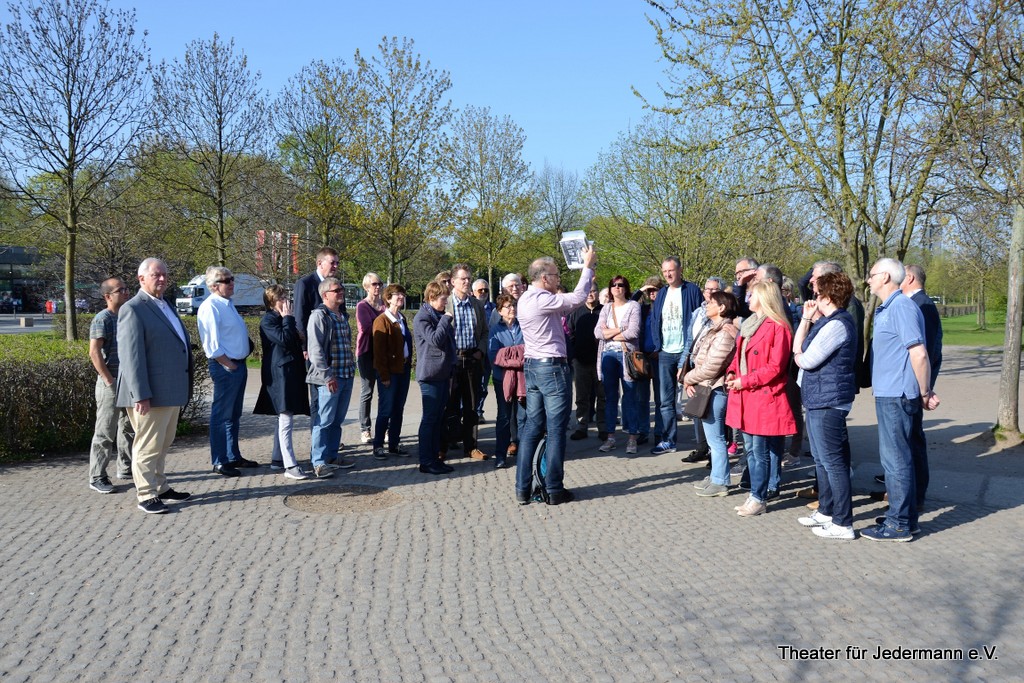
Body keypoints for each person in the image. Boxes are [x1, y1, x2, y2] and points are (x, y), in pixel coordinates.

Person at [862, 258, 940, 542]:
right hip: (889, 394)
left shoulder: (901, 307)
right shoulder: (890, 307)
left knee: (896, 461)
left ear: (885, 277)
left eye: (872, 275)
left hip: (897, 396)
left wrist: (925, 392)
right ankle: (906, 519)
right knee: (898, 460)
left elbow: (919, 353)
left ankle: (898, 525)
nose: (868, 280)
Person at [515, 245, 597, 506]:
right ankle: (553, 488)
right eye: (555, 275)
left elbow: (567, 306)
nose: (558, 279)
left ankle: (522, 488)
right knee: (556, 429)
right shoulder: (541, 299)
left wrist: (587, 277)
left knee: (532, 428)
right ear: (544, 278)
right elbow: (577, 298)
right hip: (551, 368)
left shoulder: (525, 299)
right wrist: (587, 266)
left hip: (533, 367)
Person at [116, 258, 193, 514]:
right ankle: (146, 494)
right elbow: (131, 357)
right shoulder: (133, 308)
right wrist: (140, 394)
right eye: (156, 275)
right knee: (148, 445)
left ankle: (160, 486)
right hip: (150, 394)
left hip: (170, 390)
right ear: (141, 279)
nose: (162, 279)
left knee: (163, 443)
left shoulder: (165, 304)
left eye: (164, 275)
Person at [793, 272, 858, 540]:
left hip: (830, 401)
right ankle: (826, 510)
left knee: (834, 463)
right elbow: (798, 348)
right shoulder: (826, 322)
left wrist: (799, 355)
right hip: (819, 398)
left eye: (817, 294)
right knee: (821, 460)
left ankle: (843, 523)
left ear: (829, 297)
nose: (813, 298)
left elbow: (807, 360)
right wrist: (806, 319)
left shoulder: (838, 325)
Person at [724, 281, 796, 517]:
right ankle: (755, 494)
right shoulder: (749, 324)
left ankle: (759, 497)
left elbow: (775, 367)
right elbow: (739, 357)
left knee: (759, 450)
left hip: (763, 395)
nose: (748, 299)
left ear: (764, 297)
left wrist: (745, 381)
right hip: (746, 395)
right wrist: (732, 372)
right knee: (751, 451)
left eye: (752, 295)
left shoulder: (778, 327)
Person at [197, 266, 257, 476]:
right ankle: (220, 460)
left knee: (233, 414)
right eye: (226, 280)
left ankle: (233, 455)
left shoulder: (227, 304)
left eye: (232, 279)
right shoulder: (210, 307)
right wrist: (229, 365)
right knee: (222, 415)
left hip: (237, 364)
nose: (232, 283)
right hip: (226, 367)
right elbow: (211, 346)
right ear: (214, 286)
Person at [682, 290, 739, 497]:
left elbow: (711, 367)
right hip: (707, 386)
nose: (706, 305)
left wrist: (688, 378)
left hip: (715, 389)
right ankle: (716, 475)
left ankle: (721, 482)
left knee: (716, 439)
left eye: (711, 303)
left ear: (721, 308)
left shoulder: (725, 333)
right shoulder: (716, 329)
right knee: (713, 438)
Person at [253, 285, 311, 480]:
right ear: (271, 302)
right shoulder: (269, 320)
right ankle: (290, 465)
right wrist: (288, 320)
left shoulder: (283, 319)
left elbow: (295, 340)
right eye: (281, 298)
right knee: (285, 417)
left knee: (284, 417)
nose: (286, 301)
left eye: (286, 297)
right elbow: (284, 339)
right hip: (279, 375)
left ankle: (277, 459)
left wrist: (295, 331)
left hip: (291, 373)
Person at [648, 256, 703, 455]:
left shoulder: (692, 290)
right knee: (665, 400)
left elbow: (701, 318)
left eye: (670, 270)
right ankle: (668, 440)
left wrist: (694, 348)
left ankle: (703, 443)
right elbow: (655, 319)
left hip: (686, 352)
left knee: (697, 397)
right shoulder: (662, 293)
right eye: (664, 271)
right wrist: (657, 345)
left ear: (679, 270)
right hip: (665, 352)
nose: (668, 274)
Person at [899, 263, 943, 508]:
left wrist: (924, 388)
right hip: (911, 385)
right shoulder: (916, 303)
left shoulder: (922, 305)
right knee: (908, 439)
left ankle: (915, 496)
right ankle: (904, 490)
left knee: (912, 440)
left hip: (913, 387)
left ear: (909, 278)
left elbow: (929, 351)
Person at [291, 247, 340, 462]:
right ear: (320, 263)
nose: (336, 266)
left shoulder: (335, 285)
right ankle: (317, 450)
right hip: (313, 353)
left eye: (337, 262)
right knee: (318, 403)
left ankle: (328, 445)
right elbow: (299, 318)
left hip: (334, 355)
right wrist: (304, 347)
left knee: (332, 404)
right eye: (332, 262)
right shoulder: (305, 283)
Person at [87, 277, 135, 493]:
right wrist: (109, 380)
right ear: (108, 296)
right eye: (120, 290)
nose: (126, 292)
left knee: (128, 427)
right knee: (105, 431)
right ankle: (97, 476)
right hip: (111, 382)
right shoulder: (102, 319)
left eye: (126, 289)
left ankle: (125, 468)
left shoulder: (128, 316)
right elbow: (94, 352)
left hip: (128, 382)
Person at [306, 277, 357, 478]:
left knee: (337, 420)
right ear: (325, 294)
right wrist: (328, 376)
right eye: (337, 290)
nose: (341, 292)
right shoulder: (319, 316)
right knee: (324, 421)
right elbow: (315, 350)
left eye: (341, 288)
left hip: (346, 375)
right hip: (330, 378)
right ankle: (318, 462)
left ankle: (332, 456)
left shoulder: (342, 315)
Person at [444, 264, 489, 460]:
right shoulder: (445, 303)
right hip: (452, 361)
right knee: (449, 405)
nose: (467, 281)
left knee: (471, 406)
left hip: (472, 360)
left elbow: (485, 332)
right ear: (453, 281)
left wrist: (480, 351)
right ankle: (444, 446)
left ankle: (471, 447)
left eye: (469, 278)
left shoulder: (476, 305)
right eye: (463, 278)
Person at [413, 281, 457, 475]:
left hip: (443, 373)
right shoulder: (422, 317)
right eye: (443, 299)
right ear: (431, 298)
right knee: (430, 419)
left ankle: (435, 459)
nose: (445, 302)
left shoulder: (437, 315)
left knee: (439, 418)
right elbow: (436, 340)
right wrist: (446, 319)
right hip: (430, 375)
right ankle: (426, 461)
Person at [680, 276, 725, 464]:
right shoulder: (697, 313)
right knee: (696, 407)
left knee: (712, 413)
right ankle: (701, 447)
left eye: (714, 290)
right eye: (707, 289)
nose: (710, 293)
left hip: (711, 368)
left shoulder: (724, 317)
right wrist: (682, 367)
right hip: (694, 365)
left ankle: (716, 455)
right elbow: (689, 341)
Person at [595, 275, 641, 454]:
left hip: (626, 355)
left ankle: (632, 438)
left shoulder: (633, 306)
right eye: (613, 285)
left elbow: (633, 332)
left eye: (620, 285)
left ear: (626, 288)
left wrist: (610, 333)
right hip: (608, 355)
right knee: (610, 398)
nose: (617, 288)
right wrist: (621, 330)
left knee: (630, 397)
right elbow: (598, 332)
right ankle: (610, 437)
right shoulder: (606, 307)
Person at [371, 283, 413, 459]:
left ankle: (394, 444)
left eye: (403, 294)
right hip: (389, 372)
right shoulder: (382, 321)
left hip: (403, 370)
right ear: (388, 298)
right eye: (397, 294)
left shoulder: (401, 318)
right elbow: (379, 353)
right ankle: (378, 445)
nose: (401, 297)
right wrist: (384, 375)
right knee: (386, 409)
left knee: (398, 409)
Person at [489, 294, 526, 469]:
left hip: (523, 380)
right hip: (502, 379)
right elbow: (495, 356)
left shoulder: (524, 326)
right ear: (499, 311)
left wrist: (509, 354)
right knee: (504, 417)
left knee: (523, 416)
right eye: (508, 306)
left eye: (513, 305)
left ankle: (525, 454)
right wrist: (518, 355)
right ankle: (500, 455)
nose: (512, 309)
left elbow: (529, 351)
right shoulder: (495, 330)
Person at [567, 282, 606, 441]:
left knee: (602, 397)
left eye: (594, 291)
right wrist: (574, 353)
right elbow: (570, 333)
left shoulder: (605, 311)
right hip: (581, 361)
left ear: (598, 293)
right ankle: (581, 426)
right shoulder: (576, 312)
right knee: (582, 397)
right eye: (588, 291)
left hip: (601, 361)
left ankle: (603, 427)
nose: (590, 294)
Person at [632, 276, 664, 447]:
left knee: (660, 398)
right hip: (642, 357)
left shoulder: (666, 307)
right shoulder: (642, 309)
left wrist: (661, 349)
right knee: (641, 398)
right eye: (649, 291)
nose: (652, 293)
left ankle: (659, 432)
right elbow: (629, 304)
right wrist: (641, 290)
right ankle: (643, 431)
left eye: (655, 290)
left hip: (659, 357)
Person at [356, 272, 386, 445]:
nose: (378, 287)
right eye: (374, 284)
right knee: (367, 391)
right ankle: (365, 429)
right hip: (367, 352)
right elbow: (367, 328)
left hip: (383, 353)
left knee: (385, 392)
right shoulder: (362, 306)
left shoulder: (385, 305)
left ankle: (384, 428)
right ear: (366, 287)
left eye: (380, 283)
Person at [473, 278, 495, 419]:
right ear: (473, 292)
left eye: (485, 290)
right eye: (480, 290)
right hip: (475, 351)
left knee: (483, 384)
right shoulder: (471, 306)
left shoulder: (494, 308)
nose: (483, 292)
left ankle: (479, 411)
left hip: (489, 351)